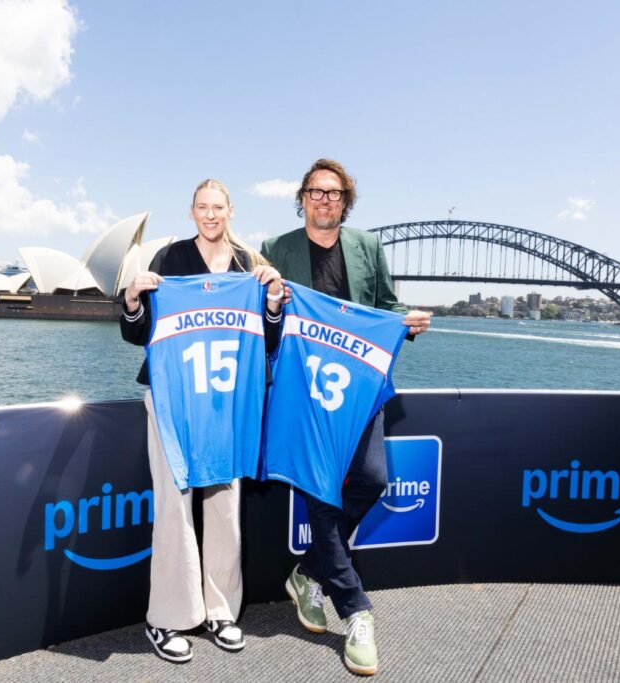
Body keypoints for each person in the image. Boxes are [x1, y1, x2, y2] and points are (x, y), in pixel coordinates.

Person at [260, 159, 431, 676]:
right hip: (303, 393)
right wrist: (271, 303)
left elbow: (386, 307)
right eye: (316, 191)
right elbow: (263, 326)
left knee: (374, 477)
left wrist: (410, 323)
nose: (325, 200)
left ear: (345, 201)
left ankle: (309, 572)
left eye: (334, 193)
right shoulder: (276, 250)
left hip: (357, 391)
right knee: (320, 490)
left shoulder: (368, 248)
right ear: (303, 198)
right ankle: (356, 609)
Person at [121, 178, 285, 663]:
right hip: (174, 401)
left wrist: (273, 301)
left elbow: (269, 340)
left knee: (225, 507)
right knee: (174, 506)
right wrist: (132, 299)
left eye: (218, 207)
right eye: (202, 207)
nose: (210, 215)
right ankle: (168, 618)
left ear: (231, 210)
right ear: (191, 212)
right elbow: (139, 333)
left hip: (224, 403)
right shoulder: (169, 260)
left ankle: (222, 611)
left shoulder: (250, 264)